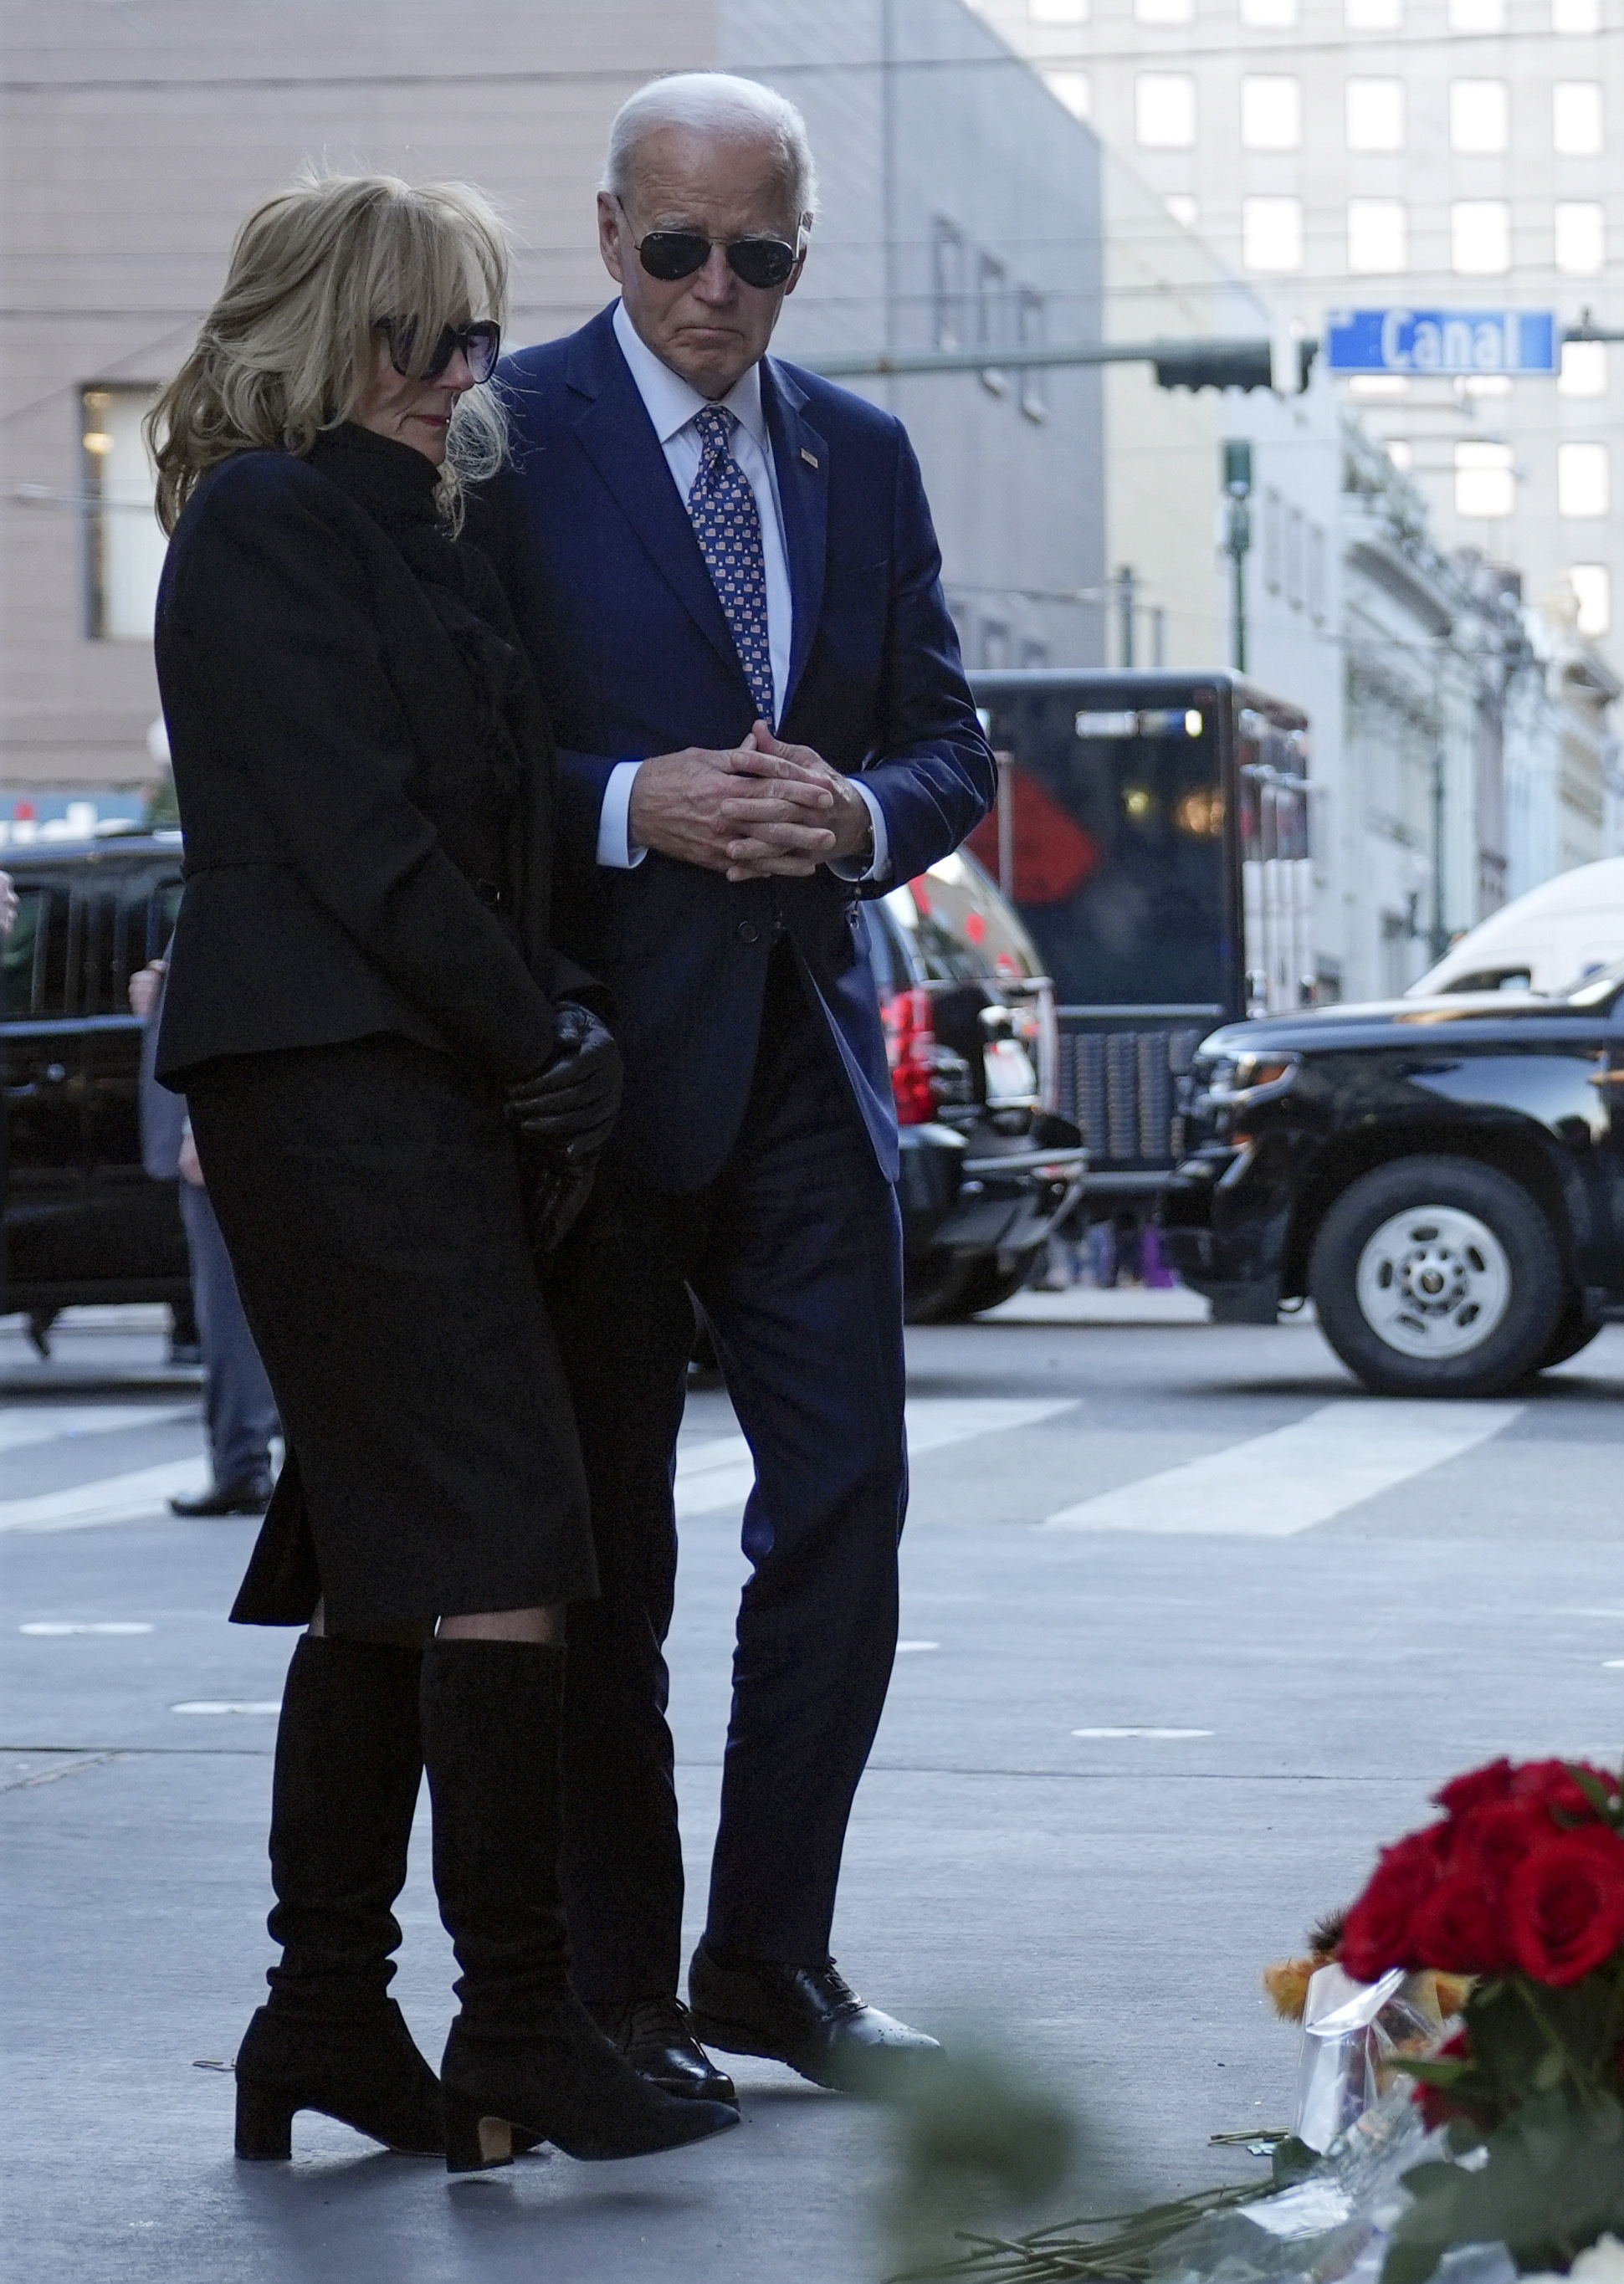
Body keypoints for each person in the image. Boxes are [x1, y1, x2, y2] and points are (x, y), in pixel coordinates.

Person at [146, 172, 739, 2171]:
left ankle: (322, 2016)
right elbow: (359, 843)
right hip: (330, 1080)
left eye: (479, 337)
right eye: (419, 338)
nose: (456, 377)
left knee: (393, 1568)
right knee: (493, 1548)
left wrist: (553, 1013)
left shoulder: (428, 529)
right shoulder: (263, 523)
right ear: (322, 328)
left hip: (435, 1085)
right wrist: (542, 1036)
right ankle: (509, 2021)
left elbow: (497, 833)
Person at [488, 74, 991, 2098]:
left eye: (759, 253)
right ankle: (617, 1986)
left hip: (803, 1056)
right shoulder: (506, 440)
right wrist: (633, 802)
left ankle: (769, 1958)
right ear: (609, 237)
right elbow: (441, 755)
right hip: (598, 1077)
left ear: (801, 250)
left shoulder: (858, 457)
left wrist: (856, 816)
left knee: (847, 1512)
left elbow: (956, 743)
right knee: (613, 1548)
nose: (717, 289)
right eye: (678, 247)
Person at [130, 955, 282, 1513]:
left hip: (223, 1121)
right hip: (237, 1120)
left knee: (229, 1308)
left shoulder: (224, 872)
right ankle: (244, 1461)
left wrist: (201, 1122)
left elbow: (229, 987)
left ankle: (241, 1462)